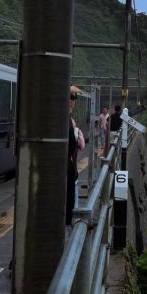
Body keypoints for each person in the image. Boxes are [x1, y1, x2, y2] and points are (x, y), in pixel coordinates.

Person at [66, 86, 84, 227]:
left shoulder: (70, 120)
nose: (73, 100)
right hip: (66, 172)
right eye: (71, 97)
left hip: (71, 171)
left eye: (74, 98)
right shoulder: (66, 121)